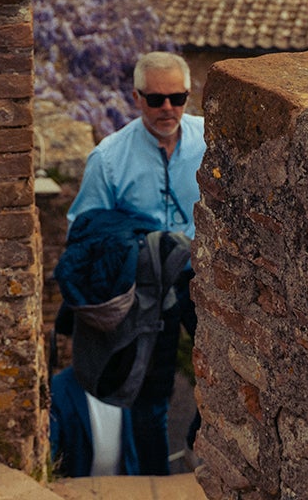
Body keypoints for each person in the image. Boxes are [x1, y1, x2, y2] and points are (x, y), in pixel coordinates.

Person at [66, 51, 205, 474]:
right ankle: (154, 482)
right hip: (146, 289)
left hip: (205, 281)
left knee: (231, 376)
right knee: (150, 393)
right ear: (136, 97)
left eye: (177, 98)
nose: (168, 109)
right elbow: (83, 229)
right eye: (156, 99)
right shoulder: (109, 157)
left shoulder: (210, 140)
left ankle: (204, 453)